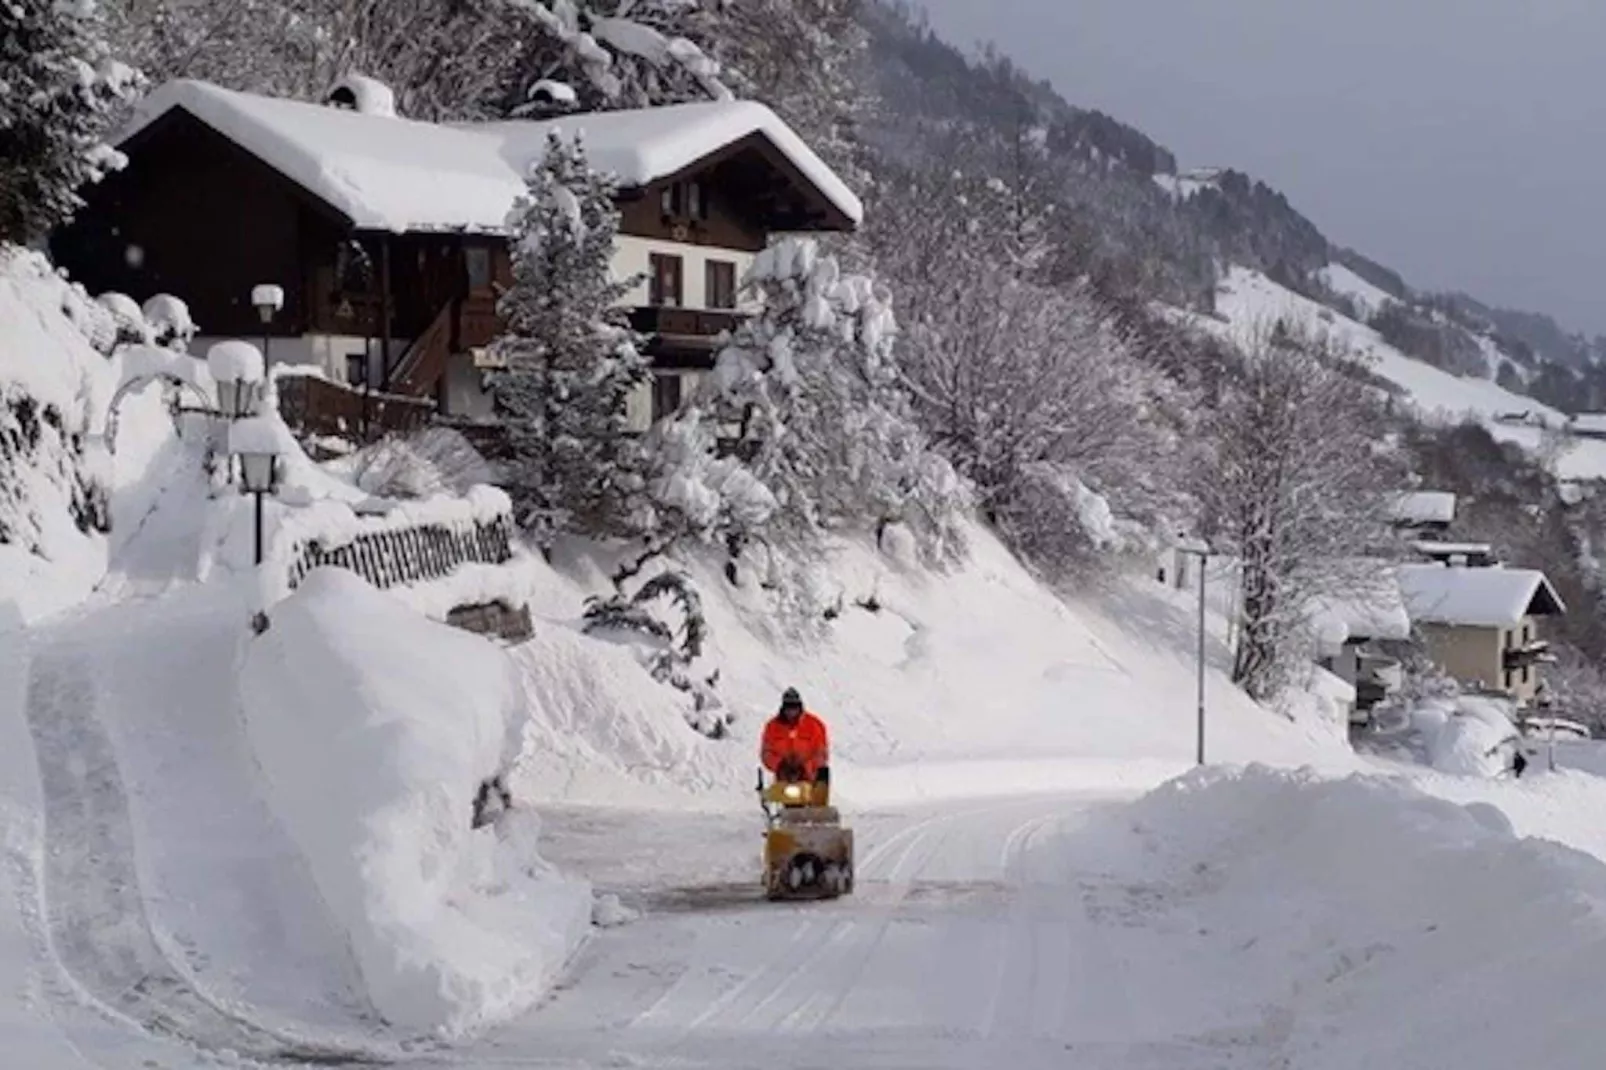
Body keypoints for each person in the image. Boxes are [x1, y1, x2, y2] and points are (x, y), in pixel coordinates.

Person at [761, 687, 830, 786]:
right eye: (788, 707)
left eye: (794, 707)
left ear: (799, 707)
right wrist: (780, 765)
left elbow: (821, 753)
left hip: (810, 782)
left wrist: (806, 767)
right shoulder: (772, 727)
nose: (791, 711)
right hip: (783, 781)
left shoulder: (815, 725)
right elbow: (766, 753)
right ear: (783, 708)